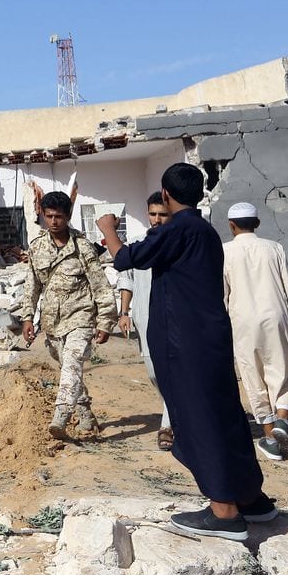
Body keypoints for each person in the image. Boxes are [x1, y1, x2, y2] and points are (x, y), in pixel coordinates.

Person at [97, 164, 273, 542]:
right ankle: (251, 498)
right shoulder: (205, 230)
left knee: (198, 419)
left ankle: (224, 511)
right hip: (209, 338)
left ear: (164, 194)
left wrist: (108, 229)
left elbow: (128, 258)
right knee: (225, 414)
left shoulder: (179, 228)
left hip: (185, 343)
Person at [21, 191, 117, 440]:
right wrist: (28, 318)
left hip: (81, 317)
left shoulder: (82, 247)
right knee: (68, 369)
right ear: (42, 215)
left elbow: (100, 286)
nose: (54, 222)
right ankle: (85, 413)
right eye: (49, 216)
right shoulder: (37, 247)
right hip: (53, 322)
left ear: (68, 216)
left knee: (73, 363)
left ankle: (61, 416)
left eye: (59, 217)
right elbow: (31, 286)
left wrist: (106, 321)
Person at [222, 201, 288, 461]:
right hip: (277, 317)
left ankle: (272, 439)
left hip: (243, 323)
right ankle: (282, 420)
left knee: (254, 378)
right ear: (257, 224)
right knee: (283, 371)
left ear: (231, 226)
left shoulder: (224, 251)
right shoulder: (274, 248)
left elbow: (222, 294)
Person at [116, 192, 174, 451]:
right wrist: (124, 312)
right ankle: (174, 411)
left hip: (174, 319)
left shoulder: (177, 244)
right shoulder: (138, 243)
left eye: (162, 214)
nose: (157, 219)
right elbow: (126, 278)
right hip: (144, 318)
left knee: (172, 371)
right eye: (153, 214)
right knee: (154, 373)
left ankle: (168, 425)